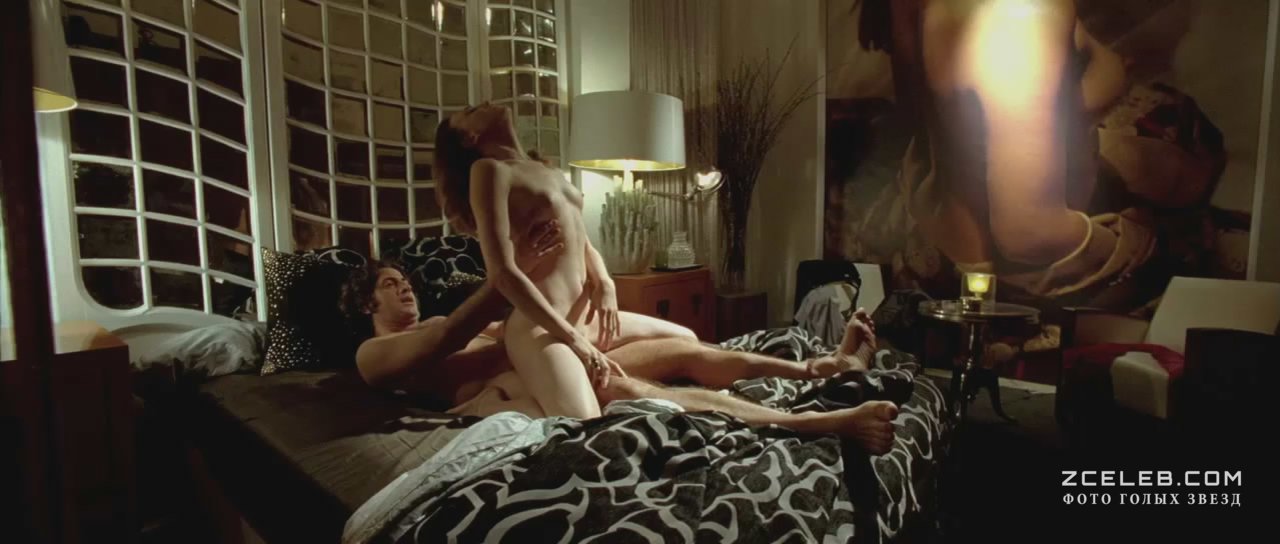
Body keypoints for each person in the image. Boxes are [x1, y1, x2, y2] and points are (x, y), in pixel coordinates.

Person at [344, 221, 901, 454]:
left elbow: (504, 326)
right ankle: (813, 424)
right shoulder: (373, 354)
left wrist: (598, 289)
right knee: (627, 390)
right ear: (368, 304)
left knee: (688, 348)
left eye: (405, 280)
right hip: (530, 383)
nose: (405, 288)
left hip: (551, 356)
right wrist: (510, 278)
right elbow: (447, 341)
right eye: (391, 285)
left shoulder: (451, 318)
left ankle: (820, 367)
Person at [851, 0, 1224, 310]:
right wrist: (1144, 249)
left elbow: (947, 115)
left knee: (1168, 158)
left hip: (935, 218)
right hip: (1007, 275)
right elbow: (1029, 233)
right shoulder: (1020, 18)